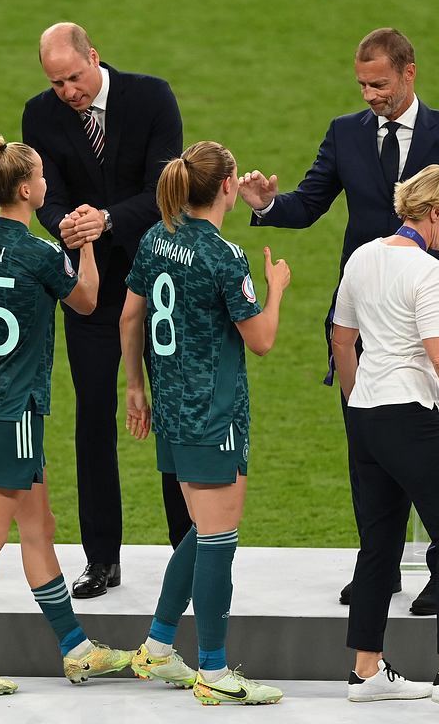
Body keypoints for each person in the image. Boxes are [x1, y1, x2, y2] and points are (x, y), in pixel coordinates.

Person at [239, 27, 439, 614]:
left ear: (409, 73)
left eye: (380, 84)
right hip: (364, 315)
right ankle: (378, 564)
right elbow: (311, 202)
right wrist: (268, 205)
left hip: (428, 318)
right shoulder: (345, 133)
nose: (370, 94)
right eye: (362, 84)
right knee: (368, 448)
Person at [0, 134, 133, 695]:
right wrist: (87, 244)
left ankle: (77, 651)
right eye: (42, 177)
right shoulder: (40, 253)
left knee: (39, 528)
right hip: (16, 411)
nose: (48, 185)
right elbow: (88, 299)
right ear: (25, 190)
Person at [22, 22, 190, 597]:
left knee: (171, 413)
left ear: (95, 57)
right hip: (90, 288)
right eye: (56, 82)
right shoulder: (39, 115)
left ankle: (187, 549)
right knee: (92, 419)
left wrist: (109, 219)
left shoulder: (151, 97)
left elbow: (167, 189)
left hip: (155, 285)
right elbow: (44, 193)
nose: (66, 91)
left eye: (73, 77)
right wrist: (66, 224)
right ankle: (101, 560)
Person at [121, 141, 290, 705]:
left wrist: (136, 388)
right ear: (225, 186)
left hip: (170, 408)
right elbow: (262, 340)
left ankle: (159, 645)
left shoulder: (156, 238)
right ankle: (214, 671)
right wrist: (277, 289)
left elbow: (129, 315)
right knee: (219, 539)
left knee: (201, 530)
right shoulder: (224, 255)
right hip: (213, 414)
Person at [331, 165, 439, 707]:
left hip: (367, 414)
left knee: (379, 544)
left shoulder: (363, 255)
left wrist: (354, 402)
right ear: (435, 214)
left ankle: (366, 670)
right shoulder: (430, 270)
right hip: (411, 415)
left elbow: (341, 339)